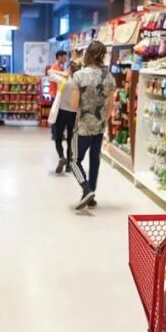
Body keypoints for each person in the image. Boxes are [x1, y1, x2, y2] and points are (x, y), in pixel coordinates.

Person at [69, 41, 116, 210]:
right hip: (100, 125)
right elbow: (111, 105)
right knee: (94, 160)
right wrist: (102, 119)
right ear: (103, 55)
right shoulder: (109, 76)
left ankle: (86, 189)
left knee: (74, 160)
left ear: (88, 54)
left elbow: (74, 106)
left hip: (82, 126)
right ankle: (91, 196)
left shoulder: (79, 76)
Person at [50, 61, 81, 174]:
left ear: (69, 70)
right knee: (70, 140)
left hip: (61, 113)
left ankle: (61, 157)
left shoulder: (63, 81)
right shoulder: (78, 84)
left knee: (58, 138)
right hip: (73, 114)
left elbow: (50, 72)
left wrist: (63, 73)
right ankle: (68, 164)